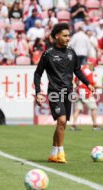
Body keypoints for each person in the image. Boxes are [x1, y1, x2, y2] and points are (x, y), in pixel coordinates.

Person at [34, 23, 94, 163]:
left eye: (69, 35)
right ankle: (61, 153)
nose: (68, 38)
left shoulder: (71, 52)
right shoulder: (48, 54)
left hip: (68, 92)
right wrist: (38, 92)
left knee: (62, 124)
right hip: (54, 92)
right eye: (65, 35)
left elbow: (77, 70)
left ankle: (53, 153)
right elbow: (38, 74)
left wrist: (88, 83)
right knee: (61, 121)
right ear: (57, 36)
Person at [71, 58, 103, 131]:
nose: (93, 67)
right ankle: (95, 126)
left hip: (79, 91)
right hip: (86, 92)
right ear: (91, 64)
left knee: (78, 109)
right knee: (94, 108)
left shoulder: (81, 69)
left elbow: (75, 80)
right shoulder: (89, 72)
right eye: (93, 65)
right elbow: (92, 85)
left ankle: (73, 126)